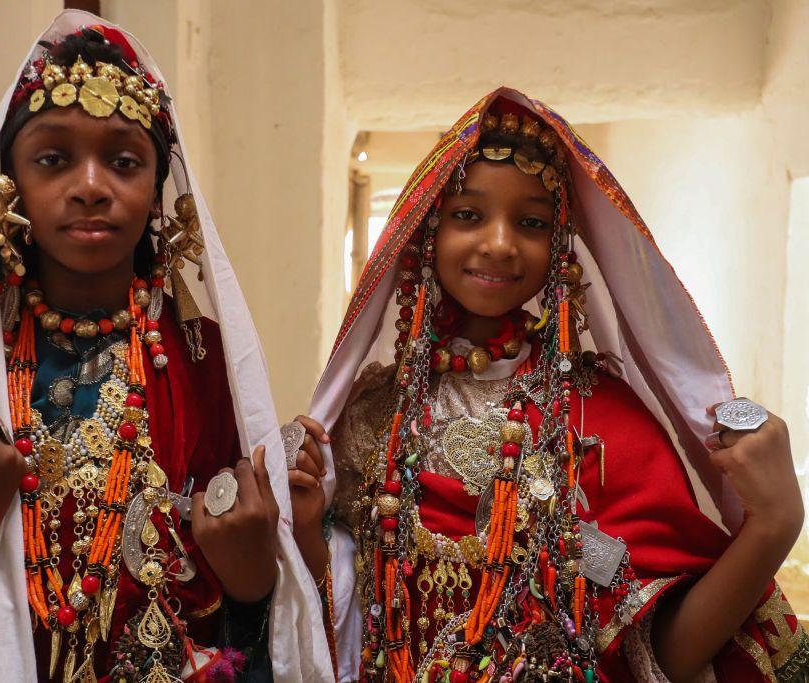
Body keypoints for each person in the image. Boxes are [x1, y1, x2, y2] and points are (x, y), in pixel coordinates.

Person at [0, 11, 330, 682]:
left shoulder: (202, 363)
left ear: (160, 188)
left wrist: (253, 584)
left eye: (124, 161)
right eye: (53, 158)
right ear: (6, 185)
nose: (92, 185)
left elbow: (263, 611)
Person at [287, 88, 809, 681]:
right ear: (426, 229)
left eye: (531, 222)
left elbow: (662, 656)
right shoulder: (374, 414)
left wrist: (774, 526)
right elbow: (341, 622)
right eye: (468, 214)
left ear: (560, 246)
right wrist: (306, 527)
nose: (501, 243)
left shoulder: (602, 424)